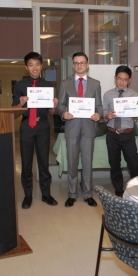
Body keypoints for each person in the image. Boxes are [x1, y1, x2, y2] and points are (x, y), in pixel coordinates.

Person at [12, 52, 58, 209]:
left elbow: (51, 112)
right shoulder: (19, 85)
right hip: (26, 126)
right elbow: (15, 113)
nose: (34, 68)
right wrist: (20, 103)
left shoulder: (47, 86)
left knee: (44, 162)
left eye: (37, 64)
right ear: (26, 67)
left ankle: (46, 194)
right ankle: (28, 196)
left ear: (41, 66)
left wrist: (54, 105)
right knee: (26, 163)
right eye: (31, 65)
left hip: (43, 125)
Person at [57, 52, 102, 207]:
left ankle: (88, 193)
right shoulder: (65, 84)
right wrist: (64, 113)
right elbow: (60, 105)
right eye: (76, 63)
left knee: (88, 163)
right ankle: (72, 193)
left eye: (82, 63)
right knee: (72, 163)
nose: (79, 65)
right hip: (72, 128)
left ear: (87, 64)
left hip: (89, 129)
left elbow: (99, 105)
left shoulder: (95, 84)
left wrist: (98, 114)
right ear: (72, 65)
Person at [103, 65, 138, 197]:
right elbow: (103, 112)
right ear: (115, 78)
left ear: (129, 80)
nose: (122, 82)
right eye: (119, 78)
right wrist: (107, 115)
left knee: (133, 164)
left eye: (125, 79)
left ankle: (136, 191)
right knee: (114, 164)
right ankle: (119, 191)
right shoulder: (108, 94)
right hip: (112, 133)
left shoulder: (134, 95)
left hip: (127, 134)